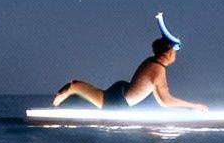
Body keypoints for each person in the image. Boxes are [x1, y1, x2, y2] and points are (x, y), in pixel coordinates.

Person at [52, 13, 210, 111]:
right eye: (174, 52)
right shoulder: (157, 69)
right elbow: (165, 101)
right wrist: (194, 106)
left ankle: (67, 97)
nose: (175, 55)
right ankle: (58, 103)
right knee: (75, 87)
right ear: (168, 53)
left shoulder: (152, 63)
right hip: (117, 101)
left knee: (80, 90)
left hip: (119, 94)